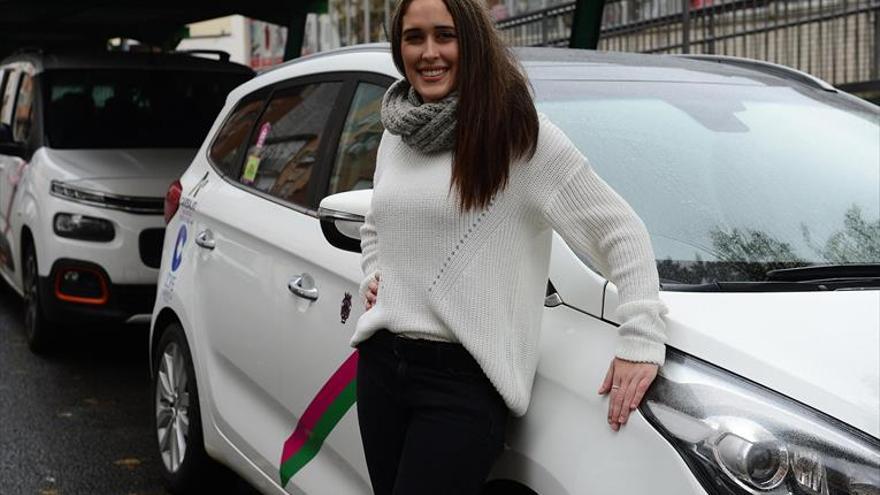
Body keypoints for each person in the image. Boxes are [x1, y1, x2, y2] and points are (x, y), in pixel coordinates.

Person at [351, 0, 668, 493]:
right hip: (380, 371)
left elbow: (620, 231)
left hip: (461, 387)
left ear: (473, 42)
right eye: (414, 38)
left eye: (445, 35)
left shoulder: (521, 137)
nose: (429, 52)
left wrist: (642, 342)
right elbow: (377, 222)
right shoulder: (398, 134)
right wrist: (376, 274)